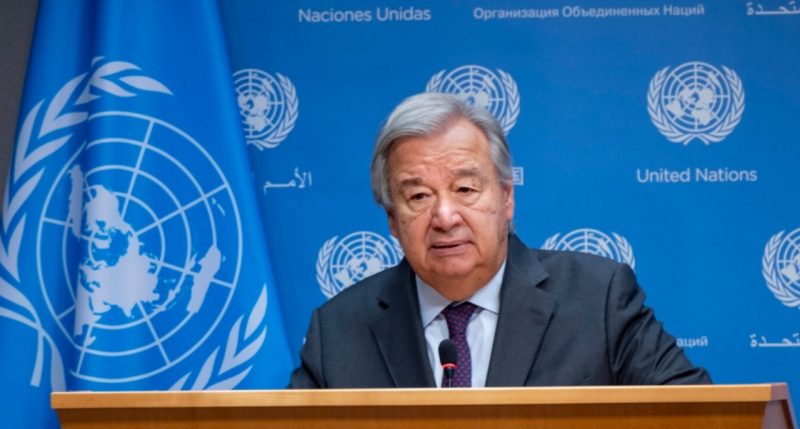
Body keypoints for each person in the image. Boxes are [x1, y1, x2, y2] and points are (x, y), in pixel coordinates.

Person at [290, 93, 710, 388]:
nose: (445, 216)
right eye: (418, 196)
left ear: (507, 198)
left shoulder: (598, 300)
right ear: (392, 221)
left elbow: (698, 420)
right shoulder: (339, 331)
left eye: (465, 189)